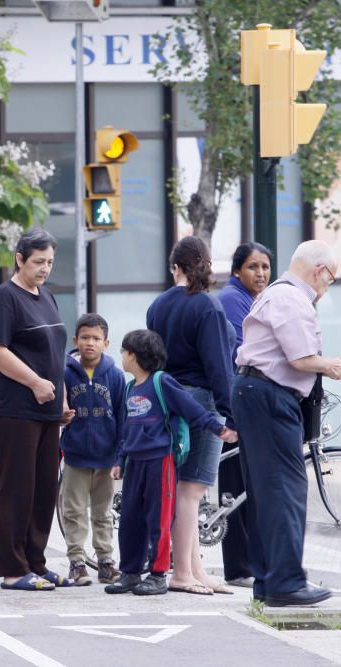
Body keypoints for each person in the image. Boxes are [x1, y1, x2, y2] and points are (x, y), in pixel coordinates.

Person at [232, 240, 341, 607]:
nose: (327, 287)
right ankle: (285, 582)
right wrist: (331, 364)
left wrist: (325, 363)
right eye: (330, 279)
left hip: (256, 391)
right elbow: (301, 358)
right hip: (270, 395)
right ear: (319, 272)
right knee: (285, 489)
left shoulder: (277, 293)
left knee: (264, 492)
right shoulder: (291, 298)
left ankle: (268, 580)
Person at [105, 330, 237, 596]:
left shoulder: (161, 382)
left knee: (159, 519)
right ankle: (130, 572)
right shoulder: (131, 388)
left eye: (123, 351)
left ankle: (157, 574)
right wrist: (120, 459)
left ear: (133, 355)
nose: (121, 356)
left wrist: (218, 429)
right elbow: (126, 430)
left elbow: (192, 409)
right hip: (135, 464)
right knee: (130, 519)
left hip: (159, 462)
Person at [0, 229, 75, 592]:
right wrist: (36, 383)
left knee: (42, 491)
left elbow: (55, 355)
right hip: (14, 408)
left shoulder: (47, 296)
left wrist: (62, 398)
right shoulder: (4, 299)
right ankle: (12, 568)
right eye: (38, 262)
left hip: (48, 409)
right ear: (19, 259)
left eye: (50, 262)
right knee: (16, 488)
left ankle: (35, 562)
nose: (44, 269)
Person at [146, 235, 235, 595]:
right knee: (192, 488)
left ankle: (196, 568)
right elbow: (219, 368)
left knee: (183, 486)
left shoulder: (157, 306)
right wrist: (230, 414)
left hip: (166, 397)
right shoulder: (207, 307)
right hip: (201, 402)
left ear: (175, 267)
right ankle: (182, 572)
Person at [216, 242, 273, 589]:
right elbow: (243, 353)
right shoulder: (233, 301)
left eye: (265, 267)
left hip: (240, 403)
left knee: (242, 485)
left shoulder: (249, 300)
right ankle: (237, 566)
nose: (261, 273)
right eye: (253, 267)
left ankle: (244, 564)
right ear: (237, 270)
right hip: (234, 406)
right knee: (235, 486)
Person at [59, 313, 124, 586]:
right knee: (73, 510)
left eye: (96, 339)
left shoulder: (115, 376)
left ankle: (106, 561)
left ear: (106, 343)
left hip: (106, 458)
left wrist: (120, 455)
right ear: (75, 340)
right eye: (85, 337)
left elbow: (123, 416)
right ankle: (76, 561)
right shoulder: (64, 373)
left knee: (103, 512)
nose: (90, 343)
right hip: (74, 456)